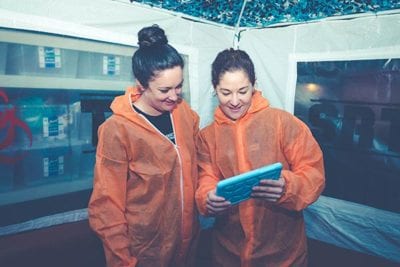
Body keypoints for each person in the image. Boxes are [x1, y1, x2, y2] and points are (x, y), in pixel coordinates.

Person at [195, 48, 325, 267]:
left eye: (243, 91)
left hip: (283, 254)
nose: (235, 101)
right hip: (229, 252)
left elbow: (314, 173)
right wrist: (207, 199)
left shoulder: (282, 123)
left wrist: (288, 186)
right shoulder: (207, 136)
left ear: (254, 84)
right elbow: (205, 178)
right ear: (214, 89)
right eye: (225, 93)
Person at [88, 25, 200, 267]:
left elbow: (197, 166)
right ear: (140, 83)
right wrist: (123, 260)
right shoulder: (117, 130)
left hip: (188, 243)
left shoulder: (184, 114)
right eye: (164, 90)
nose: (174, 96)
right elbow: (107, 206)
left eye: (179, 86)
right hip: (145, 251)